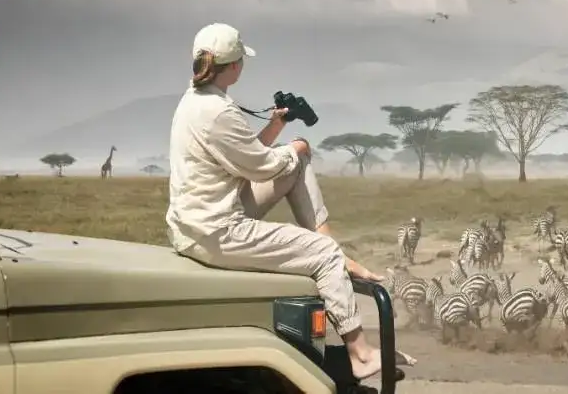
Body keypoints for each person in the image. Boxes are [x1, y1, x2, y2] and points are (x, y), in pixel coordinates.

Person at [166, 22, 415, 380]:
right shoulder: (219, 112)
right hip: (218, 231)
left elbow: (243, 155)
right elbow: (261, 167)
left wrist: (277, 126)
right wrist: (296, 149)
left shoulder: (196, 101)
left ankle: (330, 249)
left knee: (294, 165)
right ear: (235, 66)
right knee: (317, 233)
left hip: (194, 222)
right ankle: (359, 350)